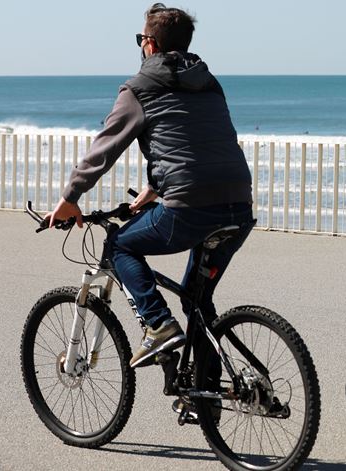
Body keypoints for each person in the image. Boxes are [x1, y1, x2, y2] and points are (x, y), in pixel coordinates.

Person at [47, 3, 254, 368]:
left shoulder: (139, 87)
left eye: (141, 40)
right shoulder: (209, 82)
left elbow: (104, 149)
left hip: (189, 209)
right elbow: (195, 145)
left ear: (151, 44)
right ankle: (209, 396)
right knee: (196, 300)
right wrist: (156, 190)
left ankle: (158, 325)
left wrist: (70, 198)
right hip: (238, 204)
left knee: (120, 246)